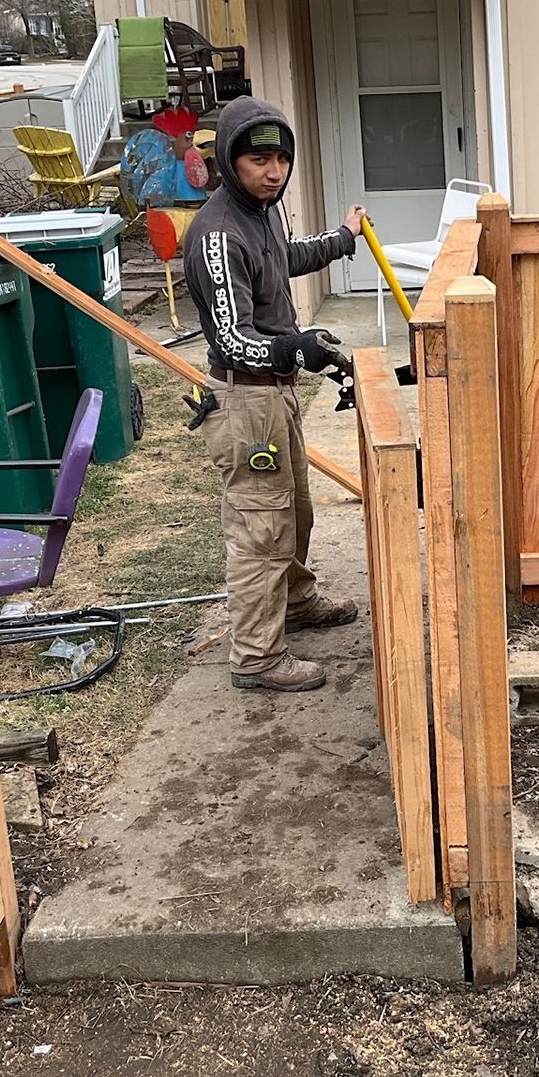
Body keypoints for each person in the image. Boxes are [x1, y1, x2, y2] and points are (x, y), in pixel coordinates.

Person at [183, 95, 367, 693]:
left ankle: (295, 602)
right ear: (232, 159)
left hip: (276, 394)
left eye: (281, 159)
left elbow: (282, 259)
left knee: (297, 511)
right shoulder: (215, 235)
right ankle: (257, 657)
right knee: (261, 526)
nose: (274, 170)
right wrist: (296, 348)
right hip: (246, 400)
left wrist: (340, 239)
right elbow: (234, 341)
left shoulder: (261, 214)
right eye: (260, 159)